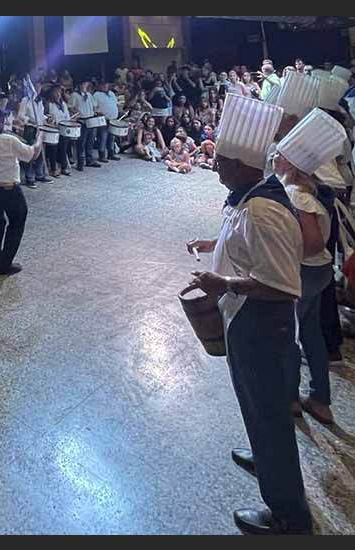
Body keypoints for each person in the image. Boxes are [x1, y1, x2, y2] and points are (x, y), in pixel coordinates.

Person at [184, 94, 312, 535]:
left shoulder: (262, 210)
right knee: (260, 409)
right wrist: (210, 245)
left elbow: (281, 286)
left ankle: (289, 517)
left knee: (270, 415)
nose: (214, 164)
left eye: (220, 160)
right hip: (248, 323)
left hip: (263, 326)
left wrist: (226, 284)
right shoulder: (249, 194)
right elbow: (243, 244)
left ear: (240, 164)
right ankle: (266, 458)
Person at [274, 109, 347, 425]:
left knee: (289, 335)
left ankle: (290, 398)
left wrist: (280, 252)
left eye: (278, 155)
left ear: (290, 163)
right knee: (312, 333)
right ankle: (320, 399)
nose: (274, 158)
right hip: (319, 272)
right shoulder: (310, 189)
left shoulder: (297, 195)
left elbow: (313, 243)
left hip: (304, 272)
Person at [0, 108, 41, 276]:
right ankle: (5, 264)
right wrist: (40, 140)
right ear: (2, 122)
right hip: (8, 189)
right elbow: (31, 155)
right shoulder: (8, 140)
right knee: (17, 222)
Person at [16, 89, 51, 188]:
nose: (37, 89)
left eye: (39, 87)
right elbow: (20, 116)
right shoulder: (26, 100)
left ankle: (39, 174)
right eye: (36, 87)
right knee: (30, 153)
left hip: (39, 128)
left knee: (40, 152)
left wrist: (46, 118)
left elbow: (40, 114)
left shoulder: (39, 100)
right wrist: (30, 120)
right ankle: (29, 177)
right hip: (30, 129)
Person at [69, 81, 100, 171]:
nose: (85, 86)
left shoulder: (89, 95)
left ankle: (89, 160)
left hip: (91, 120)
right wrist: (76, 112)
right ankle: (80, 162)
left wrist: (96, 110)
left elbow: (95, 106)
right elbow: (70, 107)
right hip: (81, 120)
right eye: (83, 84)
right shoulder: (75, 95)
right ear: (79, 85)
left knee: (90, 141)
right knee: (81, 143)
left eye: (86, 84)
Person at [45, 85, 71, 176]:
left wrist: (67, 122)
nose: (58, 94)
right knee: (53, 149)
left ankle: (63, 167)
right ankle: (53, 168)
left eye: (59, 92)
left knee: (63, 148)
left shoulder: (63, 104)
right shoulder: (49, 104)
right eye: (56, 92)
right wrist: (51, 121)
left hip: (63, 128)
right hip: (53, 129)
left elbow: (67, 115)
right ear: (52, 93)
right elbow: (46, 116)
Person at [93, 81, 121, 162]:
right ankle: (101, 155)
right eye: (103, 84)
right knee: (103, 137)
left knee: (112, 137)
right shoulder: (96, 94)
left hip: (113, 119)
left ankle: (111, 154)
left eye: (106, 84)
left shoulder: (111, 93)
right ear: (100, 85)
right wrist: (98, 112)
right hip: (103, 119)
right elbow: (94, 107)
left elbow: (115, 104)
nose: (105, 85)